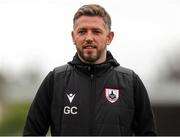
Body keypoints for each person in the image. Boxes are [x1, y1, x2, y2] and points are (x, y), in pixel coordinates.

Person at [23, 4, 157, 136]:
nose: (88, 38)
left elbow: (148, 133)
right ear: (73, 37)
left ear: (109, 37)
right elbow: (32, 132)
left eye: (96, 31)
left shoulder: (130, 82)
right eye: (82, 32)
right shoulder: (55, 80)